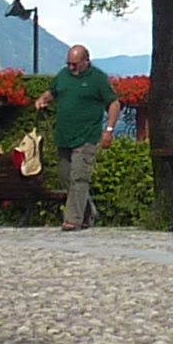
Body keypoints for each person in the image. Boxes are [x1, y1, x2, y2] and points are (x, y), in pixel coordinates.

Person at [52, 44, 122, 231]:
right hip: (64, 136)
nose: (71, 68)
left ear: (86, 61)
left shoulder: (98, 78)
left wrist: (108, 130)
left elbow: (114, 103)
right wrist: (43, 99)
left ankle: (73, 219)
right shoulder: (63, 75)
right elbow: (53, 92)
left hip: (86, 136)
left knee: (79, 178)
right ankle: (88, 211)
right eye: (69, 64)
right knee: (65, 176)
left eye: (75, 64)